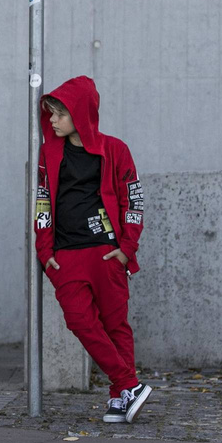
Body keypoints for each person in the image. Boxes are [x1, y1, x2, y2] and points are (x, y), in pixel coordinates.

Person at [34, 75, 151, 423]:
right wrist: (45, 253)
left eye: (60, 114)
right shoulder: (49, 153)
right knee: (80, 321)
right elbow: (43, 201)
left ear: (81, 114)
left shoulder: (115, 150)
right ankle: (129, 383)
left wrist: (126, 249)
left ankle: (119, 398)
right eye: (51, 114)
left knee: (115, 325)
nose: (53, 121)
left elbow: (133, 200)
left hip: (106, 252)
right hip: (66, 256)